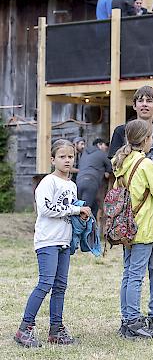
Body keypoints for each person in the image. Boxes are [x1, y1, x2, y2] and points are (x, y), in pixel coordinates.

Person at [109, 86, 153, 338]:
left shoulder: (121, 162)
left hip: (125, 223)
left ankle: (126, 319)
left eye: (150, 101)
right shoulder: (146, 162)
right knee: (137, 274)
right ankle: (134, 321)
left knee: (128, 273)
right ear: (146, 140)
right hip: (145, 226)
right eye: (140, 101)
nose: (145, 104)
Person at [14, 140, 91, 348]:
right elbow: (46, 209)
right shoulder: (48, 182)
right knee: (45, 284)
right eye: (62, 157)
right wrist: (76, 210)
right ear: (52, 160)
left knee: (60, 286)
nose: (67, 160)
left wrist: (81, 218)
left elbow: (69, 211)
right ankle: (24, 329)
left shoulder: (72, 185)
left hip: (64, 242)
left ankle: (56, 330)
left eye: (70, 156)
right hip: (48, 241)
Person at [76, 138, 112, 217]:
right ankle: (82, 228)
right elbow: (110, 167)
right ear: (99, 145)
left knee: (93, 207)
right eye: (105, 145)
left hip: (79, 181)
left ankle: (92, 228)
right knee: (85, 212)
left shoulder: (84, 153)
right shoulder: (101, 154)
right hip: (91, 181)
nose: (106, 148)